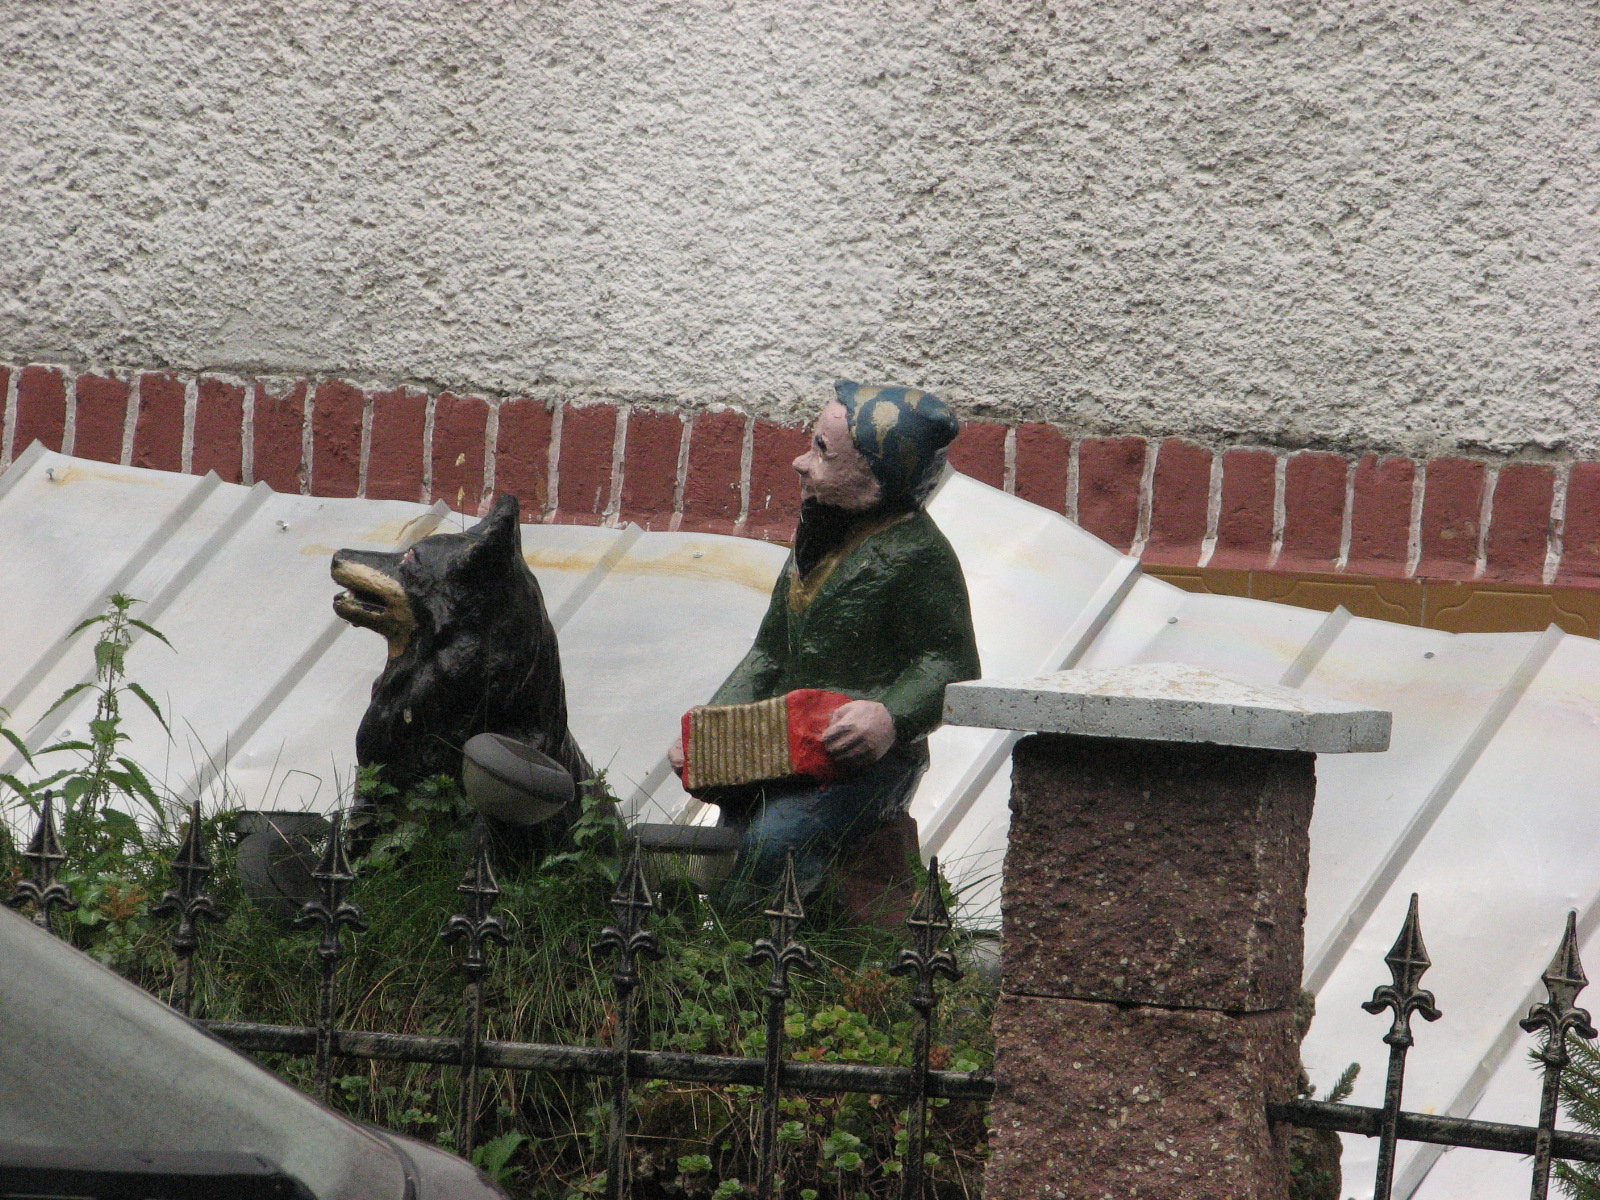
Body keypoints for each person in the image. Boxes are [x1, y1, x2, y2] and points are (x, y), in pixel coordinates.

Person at [670, 381, 981, 916]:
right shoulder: (815, 539)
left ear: (875, 477)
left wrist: (890, 716)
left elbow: (951, 662)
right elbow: (768, 654)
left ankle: (765, 949)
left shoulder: (918, 555)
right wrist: (707, 728)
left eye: (821, 451)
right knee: (732, 828)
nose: (799, 462)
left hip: (863, 760)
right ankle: (732, 943)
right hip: (783, 740)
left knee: (775, 842)